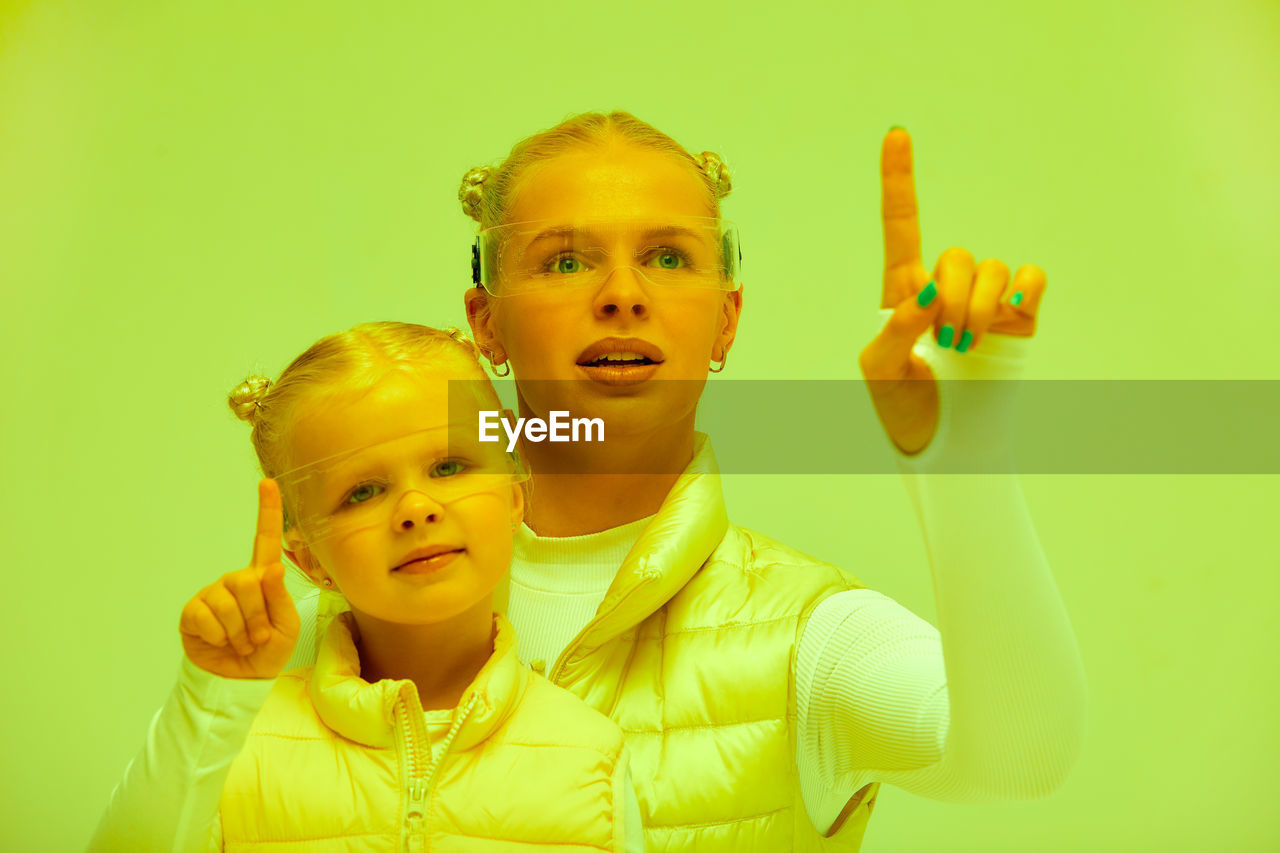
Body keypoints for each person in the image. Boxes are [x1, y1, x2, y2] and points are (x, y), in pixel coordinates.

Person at [91, 113, 1087, 852]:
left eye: (666, 256)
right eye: (564, 260)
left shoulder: (804, 634)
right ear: (484, 325)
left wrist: (962, 451)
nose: (621, 293)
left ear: (725, 321)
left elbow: (1021, 758)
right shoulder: (345, 612)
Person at [90, 322, 644, 851]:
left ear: (514, 493)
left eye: (449, 467)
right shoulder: (238, 745)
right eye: (363, 492)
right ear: (309, 558)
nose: (417, 509)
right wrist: (210, 697)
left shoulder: (590, 756)